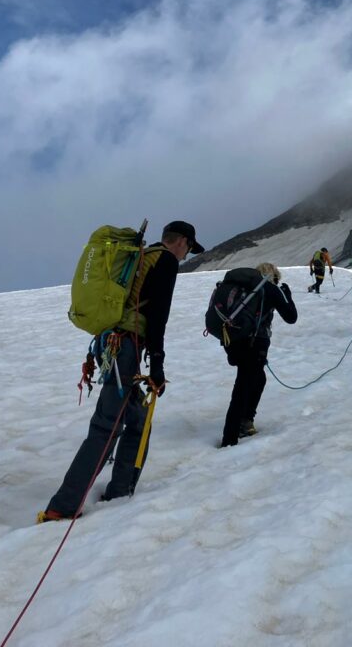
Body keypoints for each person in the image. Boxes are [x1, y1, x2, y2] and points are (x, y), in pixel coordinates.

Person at [38, 220, 205, 522]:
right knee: (106, 427)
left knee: (138, 420)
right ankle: (63, 507)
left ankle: (120, 491)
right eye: (189, 248)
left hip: (114, 345)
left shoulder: (143, 256)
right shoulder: (165, 260)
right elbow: (158, 316)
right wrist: (157, 364)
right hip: (126, 347)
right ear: (182, 241)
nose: (186, 255)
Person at [221, 262, 297, 447]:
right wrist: (287, 296)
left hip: (233, 341)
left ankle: (245, 420)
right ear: (273, 276)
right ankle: (230, 438)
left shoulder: (244, 288)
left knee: (257, 379)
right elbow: (291, 317)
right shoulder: (269, 288)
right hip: (254, 344)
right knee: (243, 387)